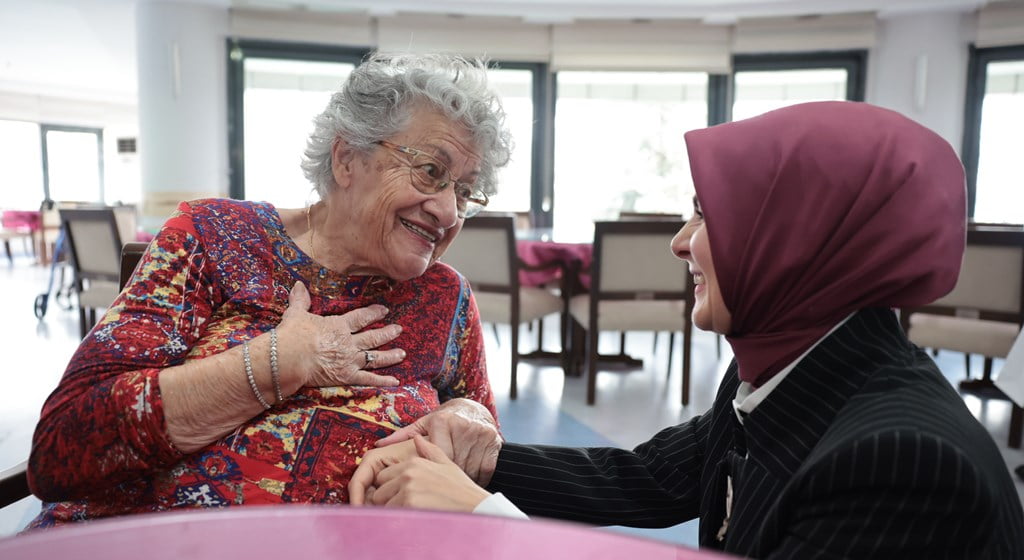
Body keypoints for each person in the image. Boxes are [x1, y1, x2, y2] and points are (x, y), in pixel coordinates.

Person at [350, 101, 1024, 558]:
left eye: (708, 216)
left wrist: (481, 518)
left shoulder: (903, 466)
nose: (680, 243)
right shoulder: (795, 368)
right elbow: (648, 478)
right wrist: (483, 462)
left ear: (799, 239)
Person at [25, 52, 512, 527]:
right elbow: (62, 448)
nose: (449, 211)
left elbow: (486, 449)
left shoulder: (446, 297)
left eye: (465, 191)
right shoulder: (216, 236)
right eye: (431, 171)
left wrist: (470, 417)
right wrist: (277, 361)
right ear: (347, 158)